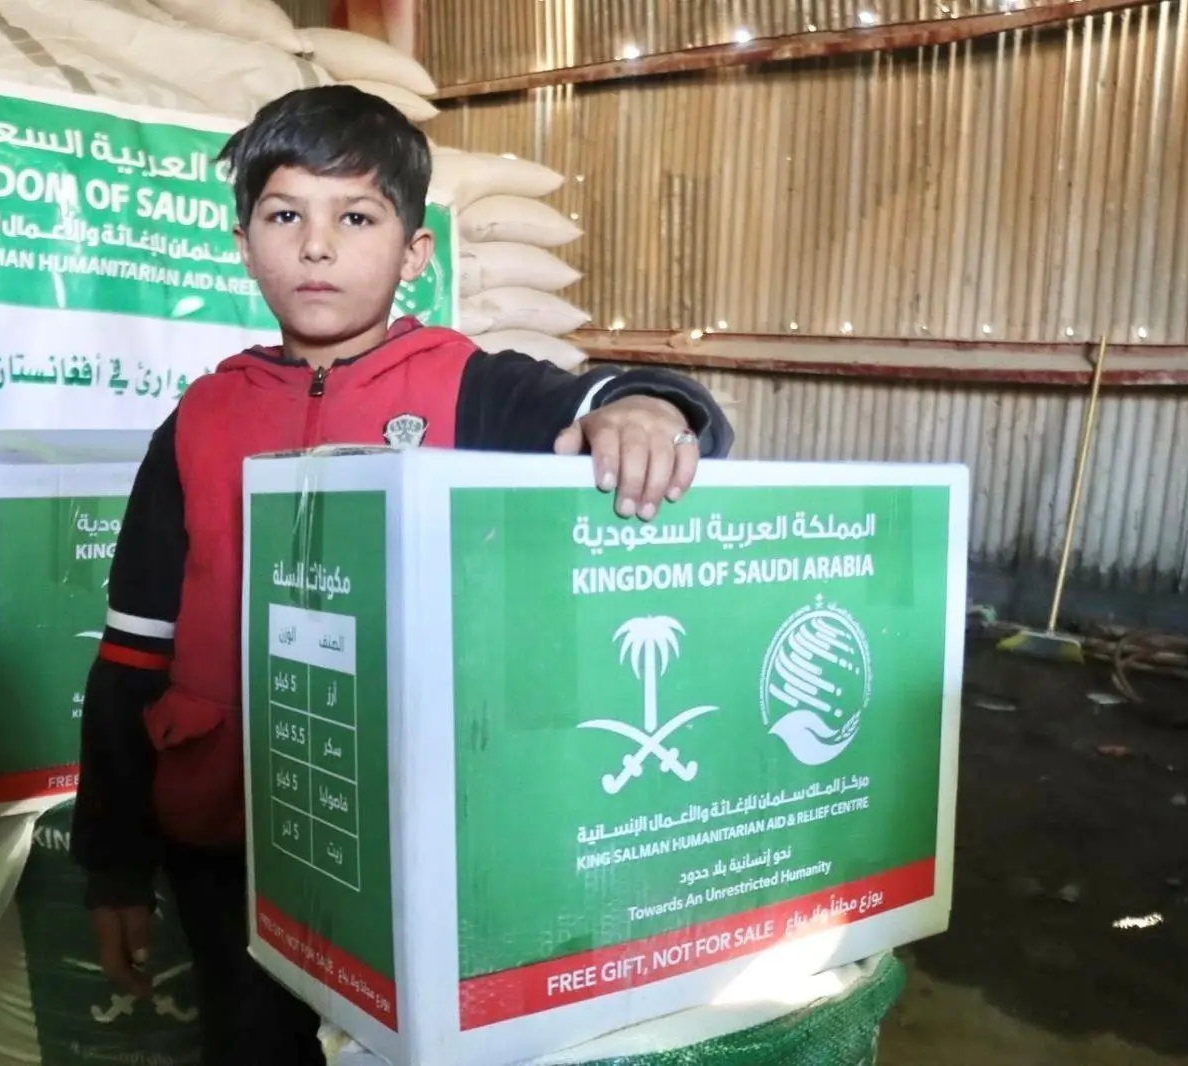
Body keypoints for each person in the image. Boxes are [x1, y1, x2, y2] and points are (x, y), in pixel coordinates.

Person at [69, 85, 733, 1066]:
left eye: (356, 217)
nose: (317, 247)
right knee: (250, 1043)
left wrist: (650, 409)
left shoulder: (474, 389)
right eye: (285, 216)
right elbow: (134, 653)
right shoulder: (199, 421)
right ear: (243, 244)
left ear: (415, 252)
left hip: (424, 851)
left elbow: (608, 393)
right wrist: (115, 864)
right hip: (226, 843)